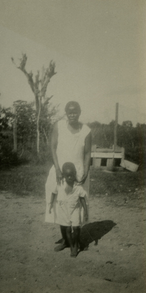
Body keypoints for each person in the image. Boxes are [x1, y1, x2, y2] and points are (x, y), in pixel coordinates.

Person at [45, 101, 92, 250]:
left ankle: (77, 240)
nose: (72, 114)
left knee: (79, 206)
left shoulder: (86, 130)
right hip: (60, 171)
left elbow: (87, 153)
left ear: (79, 112)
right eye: (69, 112)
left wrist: (85, 171)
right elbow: (52, 147)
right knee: (61, 204)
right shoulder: (58, 126)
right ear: (66, 113)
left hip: (78, 173)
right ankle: (66, 240)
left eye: (75, 111)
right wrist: (58, 170)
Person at [49, 162, 88, 257]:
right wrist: (50, 204)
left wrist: (86, 211)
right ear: (63, 175)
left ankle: (76, 243)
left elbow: (82, 198)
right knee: (67, 229)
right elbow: (53, 193)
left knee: (76, 227)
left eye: (72, 175)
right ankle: (72, 246)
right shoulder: (60, 184)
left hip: (75, 209)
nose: (70, 177)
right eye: (67, 176)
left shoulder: (78, 187)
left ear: (75, 173)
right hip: (63, 210)